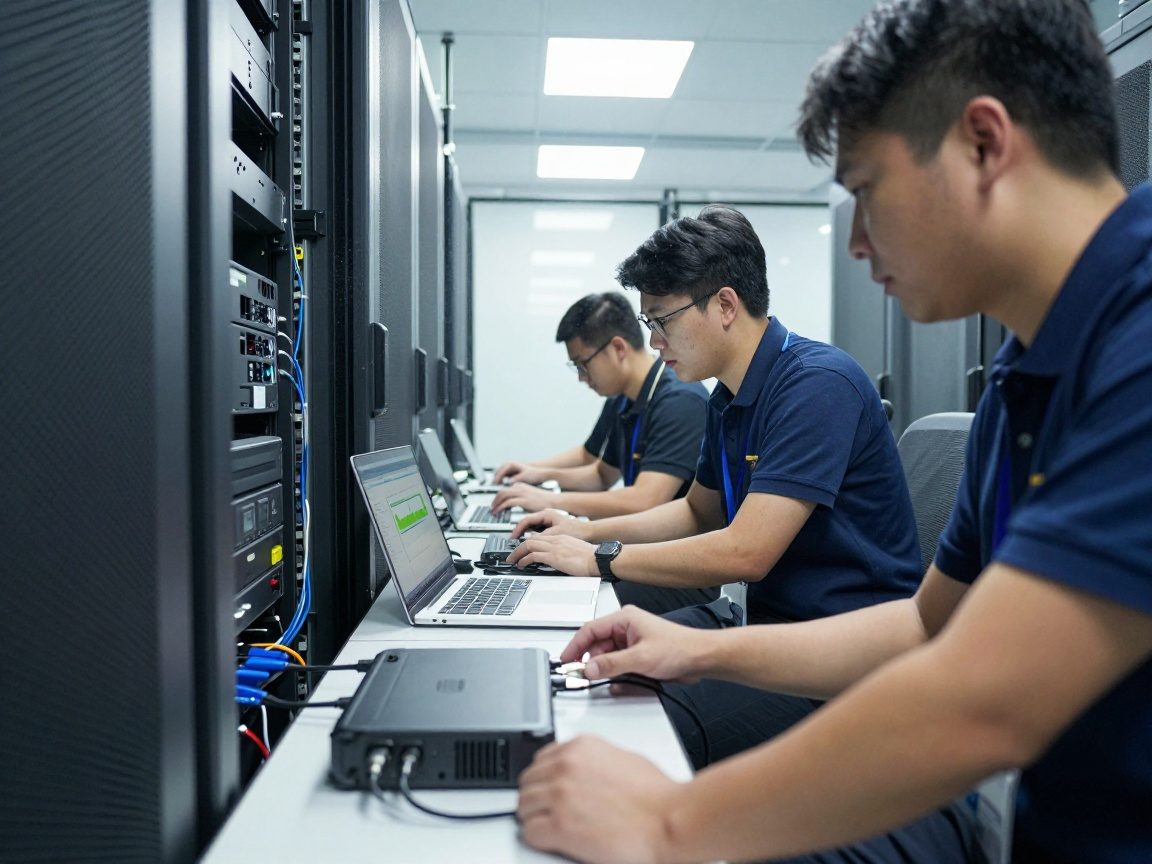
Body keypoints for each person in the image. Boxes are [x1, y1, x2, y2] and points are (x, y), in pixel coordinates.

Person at [515, 1, 1152, 863]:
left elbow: (985, 700)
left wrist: (671, 824)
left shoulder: (1137, 343)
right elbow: (929, 628)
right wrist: (699, 652)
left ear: (983, 143)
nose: (855, 241)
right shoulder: (1025, 379)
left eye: (865, 192)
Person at [508, 205, 926, 766]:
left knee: (627, 713)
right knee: (599, 662)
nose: (652, 341)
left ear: (725, 305)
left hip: (838, 661)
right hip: (770, 629)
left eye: (662, 320)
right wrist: (582, 531)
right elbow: (695, 514)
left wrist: (600, 556)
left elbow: (746, 552)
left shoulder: (816, 385)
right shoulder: (728, 396)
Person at [495, 291, 715, 616]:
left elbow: (645, 499)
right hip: (634, 551)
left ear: (617, 348)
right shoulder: (625, 397)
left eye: (583, 363)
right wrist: (536, 475)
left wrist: (552, 501)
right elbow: (600, 472)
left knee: (560, 594)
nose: (583, 377)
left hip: (674, 574)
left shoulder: (680, 401)